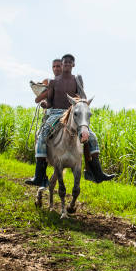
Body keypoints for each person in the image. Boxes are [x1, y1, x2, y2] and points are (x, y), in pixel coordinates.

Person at [25, 54, 116, 186]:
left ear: (73, 65)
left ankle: (96, 172)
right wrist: (46, 104)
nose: (66, 65)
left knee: (92, 137)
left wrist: (81, 101)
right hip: (56, 113)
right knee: (43, 134)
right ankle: (39, 176)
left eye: (69, 63)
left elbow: (82, 96)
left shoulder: (77, 79)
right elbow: (50, 101)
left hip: (72, 113)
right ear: (62, 65)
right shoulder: (53, 82)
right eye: (64, 63)